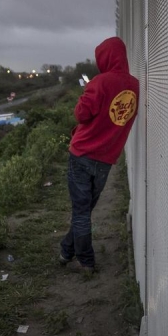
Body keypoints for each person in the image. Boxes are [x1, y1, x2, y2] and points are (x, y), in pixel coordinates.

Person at [59, 36, 139, 273]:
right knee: (84, 210)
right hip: (106, 159)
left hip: (82, 155)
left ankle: (86, 261)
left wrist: (86, 93)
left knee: (81, 211)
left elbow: (81, 115)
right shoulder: (135, 86)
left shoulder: (99, 82)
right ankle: (66, 250)